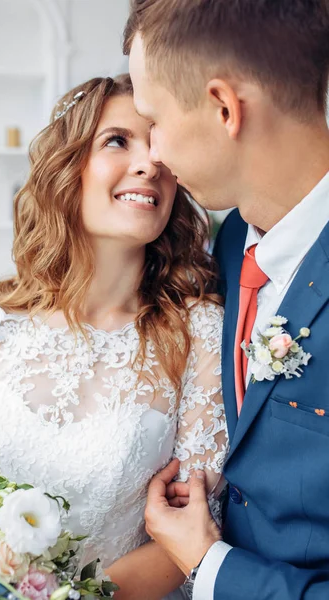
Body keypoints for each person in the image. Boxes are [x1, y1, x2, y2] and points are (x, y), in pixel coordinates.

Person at [0, 74, 227, 600]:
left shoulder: (197, 335)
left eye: (159, 145)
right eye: (118, 140)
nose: (149, 163)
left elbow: (192, 534)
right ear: (68, 165)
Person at [124, 0, 329, 599]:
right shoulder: (231, 236)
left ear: (223, 108)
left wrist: (206, 563)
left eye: (153, 118)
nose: (152, 153)